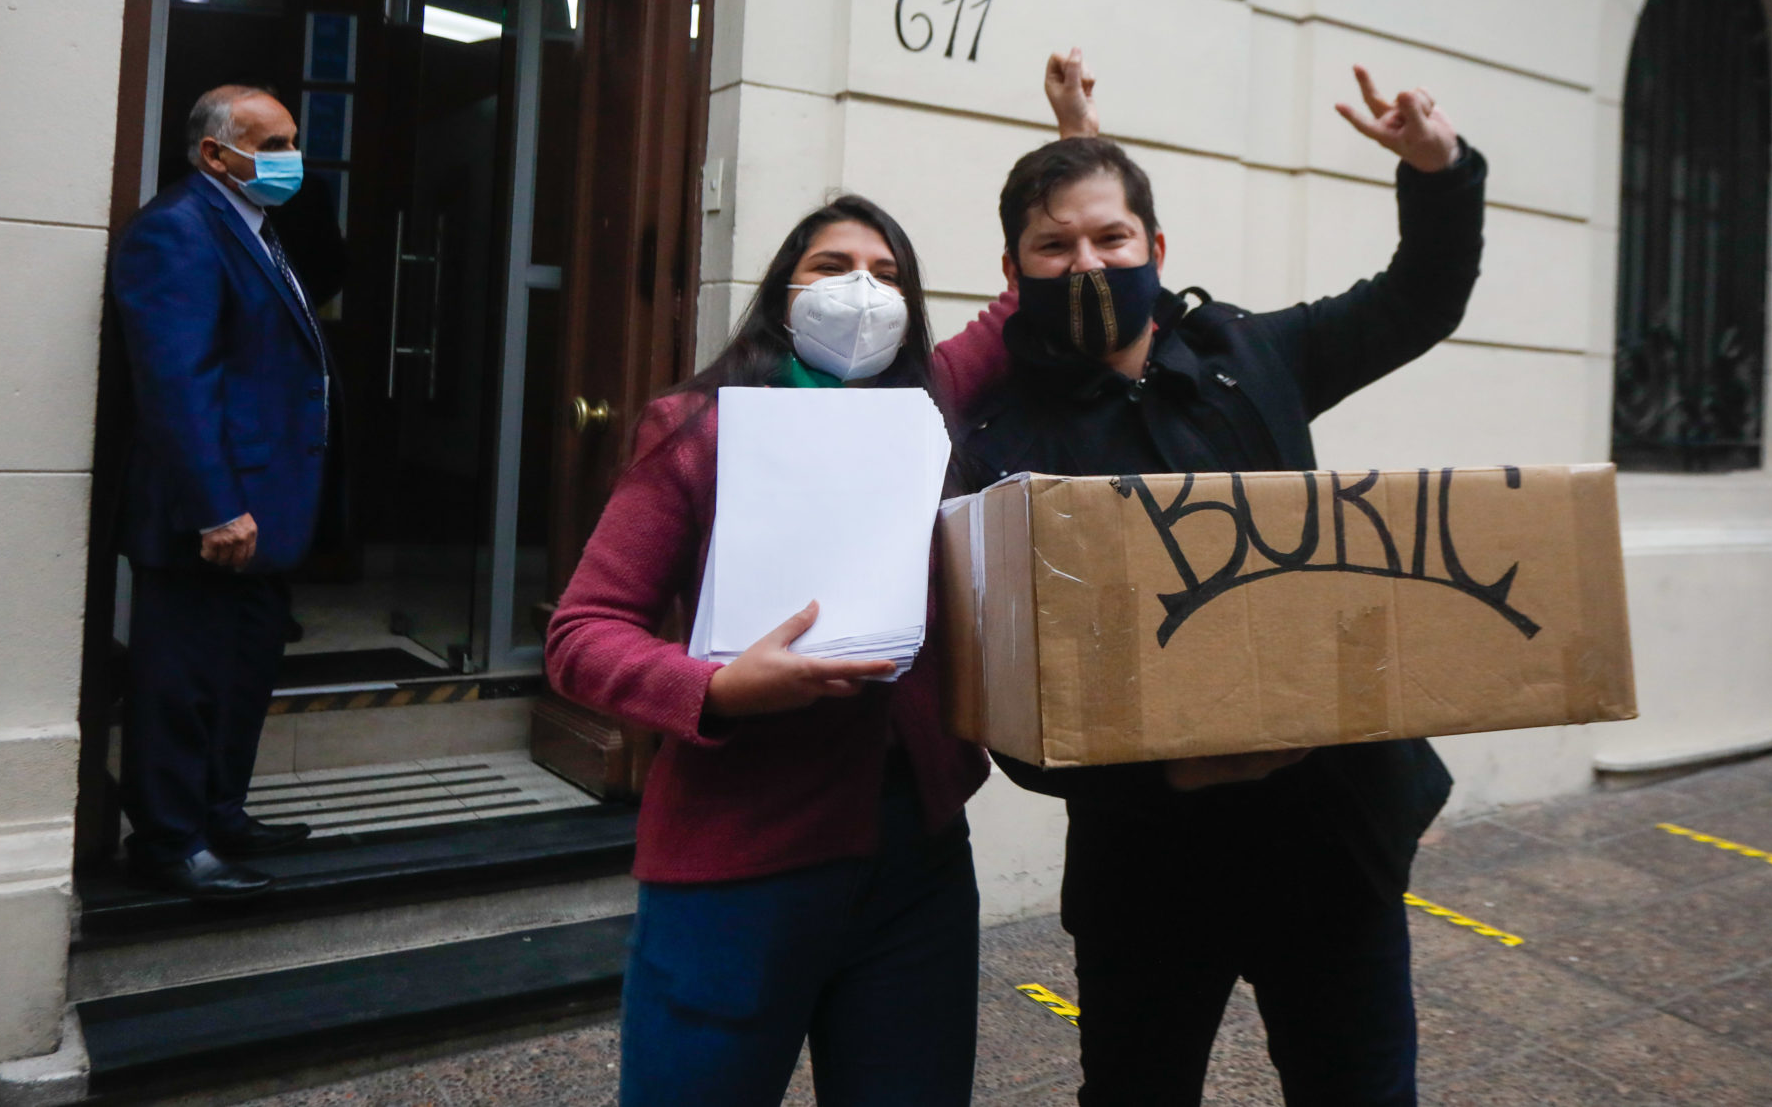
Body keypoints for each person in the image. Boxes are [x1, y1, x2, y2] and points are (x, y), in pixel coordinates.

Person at [545, 106, 1111, 1103]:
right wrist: (715, 691)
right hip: (735, 861)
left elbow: (1021, 298)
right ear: (780, 294)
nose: (861, 290)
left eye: (887, 273)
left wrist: (1074, 164)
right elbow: (581, 638)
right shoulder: (697, 431)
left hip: (914, 859)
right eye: (830, 266)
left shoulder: (926, 405)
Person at [960, 59, 1486, 1106]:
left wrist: (1438, 170)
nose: (1088, 263)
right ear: (1013, 271)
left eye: (1110, 239)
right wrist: (1153, 778)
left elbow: (1415, 302)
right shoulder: (999, 441)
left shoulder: (1250, 353)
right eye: (1054, 247)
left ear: (1155, 249)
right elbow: (1006, 691)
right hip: (1147, 864)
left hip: (1329, 839)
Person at [110, 85, 332, 897]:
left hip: (266, 509)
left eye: (291, 141)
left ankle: (222, 813)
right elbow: (176, 383)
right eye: (270, 145)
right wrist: (214, 504)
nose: (288, 159)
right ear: (214, 154)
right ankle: (170, 841)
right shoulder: (175, 232)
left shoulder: (257, 229)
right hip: (209, 514)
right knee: (181, 681)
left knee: (240, 673)